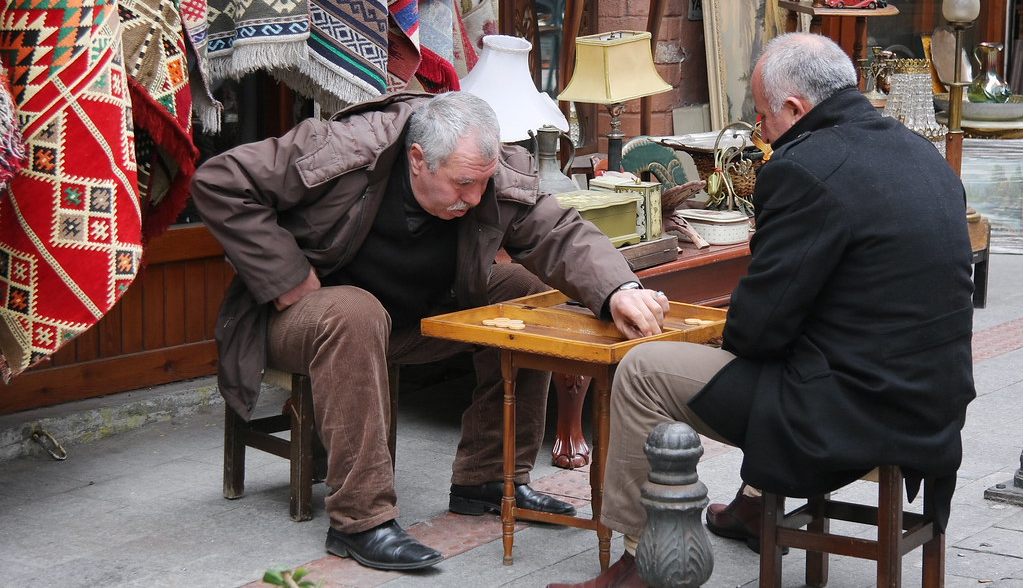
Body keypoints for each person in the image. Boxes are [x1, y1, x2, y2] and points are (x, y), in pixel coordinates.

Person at [548, 33, 976, 588]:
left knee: (642, 371)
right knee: (788, 350)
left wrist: (708, 331)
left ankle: (639, 562)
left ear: (796, 109)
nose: (760, 131)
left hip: (849, 410)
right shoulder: (921, 151)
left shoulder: (803, 167)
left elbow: (758, 330)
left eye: (762, 116)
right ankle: (752, 505)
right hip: (933, 402)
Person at [190, 90, 669, 572]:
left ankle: (489, 477)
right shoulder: (342, 148)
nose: (476, 198)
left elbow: (557, 231)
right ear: (418, 159)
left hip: (419, 315)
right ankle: (361, 519)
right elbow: (219, 181)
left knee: (522, 291)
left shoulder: (484, 169)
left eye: (482, 185)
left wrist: (618, 289)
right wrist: (285, 274)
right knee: (356, 313)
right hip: (308, 317)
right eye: (462, 185)